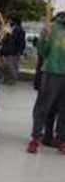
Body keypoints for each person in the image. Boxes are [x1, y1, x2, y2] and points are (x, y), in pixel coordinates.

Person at [29, 11, 65, 154]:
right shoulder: (52, 27)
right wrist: (43, 37)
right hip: (52, 72)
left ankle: (62, 140)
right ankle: (35, 138)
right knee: (43, 107)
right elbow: (43, 52)